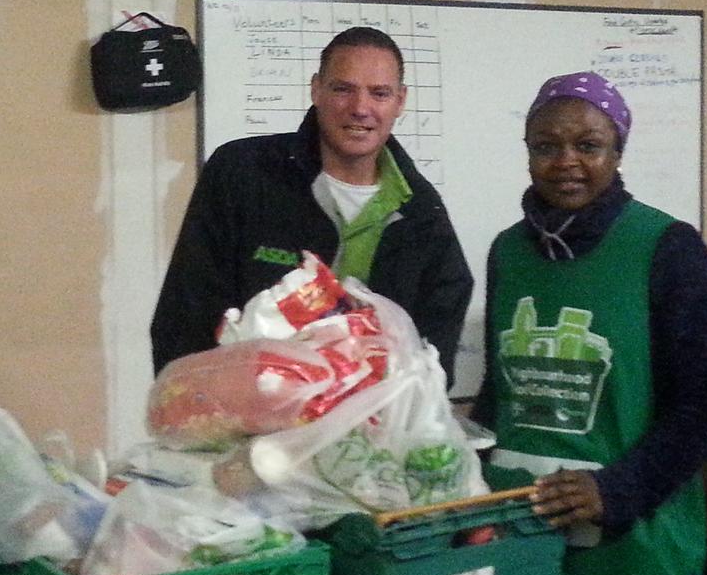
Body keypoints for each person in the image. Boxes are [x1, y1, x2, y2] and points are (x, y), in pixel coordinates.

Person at [472, 71, 707, 575]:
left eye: (588, 145)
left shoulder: (667, 247)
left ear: (618, 151)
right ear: (528, 154)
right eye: (547, 146)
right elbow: (499, 393)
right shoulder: (507, 252)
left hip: (632, 547)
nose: (566, 161)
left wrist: (615, 490)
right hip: (522, 535)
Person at [151, 26, 473, 385]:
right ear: (316, 89)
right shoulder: (241, 173)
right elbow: (184, 315)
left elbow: (434, 354)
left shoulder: (420, 211)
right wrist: (198, 418)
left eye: (379, 94)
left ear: (400, 101)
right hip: (244, 427)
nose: (360, 109)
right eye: (342, 89)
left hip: (367, 433)